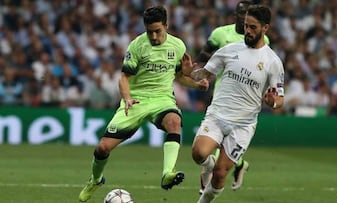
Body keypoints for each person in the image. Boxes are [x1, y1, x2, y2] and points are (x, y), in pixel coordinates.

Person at [78, 5, 209, 202]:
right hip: (136, 100)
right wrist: (127, 98)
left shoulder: (178, 46)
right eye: (150, 32)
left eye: (158, 31)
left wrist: (196, 84)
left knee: (174, 122)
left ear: (166, 25)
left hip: (162, 99)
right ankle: (96, 179)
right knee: (103, 148)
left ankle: (167, 174)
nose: (154, 36)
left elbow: (179, 77)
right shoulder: (137, 46)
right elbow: (124, 78)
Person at [183, 5, 285, 203]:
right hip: (217, 115)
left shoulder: (273, 61)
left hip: (243, 125)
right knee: (198, 153)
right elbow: (202, 74)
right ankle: (210, 165)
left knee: (221, 174)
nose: (247, 31)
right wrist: (189, 72)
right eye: (246, 26)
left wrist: (273, 103)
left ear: (265, 28)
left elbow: (280, 99)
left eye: (253, 27)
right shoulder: (229, 50)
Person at [196, 0, 270, 194]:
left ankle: (217, 170)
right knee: (211, 141)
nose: (243, 18)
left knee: (221, 145)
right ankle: (234, 166)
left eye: (247, 15)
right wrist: (200, 74)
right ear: (236, 15)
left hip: (243, 101)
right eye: (241, 14)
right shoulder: (221, 34)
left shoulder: (263, 41)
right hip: (221, 93)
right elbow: (204, 55)